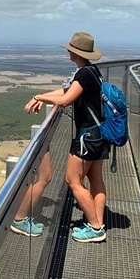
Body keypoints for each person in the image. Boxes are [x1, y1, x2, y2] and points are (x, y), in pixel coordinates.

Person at [24, 31, 109, 243]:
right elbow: (64, 92)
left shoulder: (83, 74)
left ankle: (96, 228)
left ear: (74, 52)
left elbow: (65, 100)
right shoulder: (92, 70)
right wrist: (43, 97)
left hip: (87, 136)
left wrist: (38, 96)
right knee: (95, 179)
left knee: (73, 180)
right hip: (99, 133)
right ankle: (97, 221)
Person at [9, 149, 51, 237]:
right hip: (40, 141)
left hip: (42, 142)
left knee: (40, 177)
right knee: (44, 178)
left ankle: (22, 217)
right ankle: (19, 219)